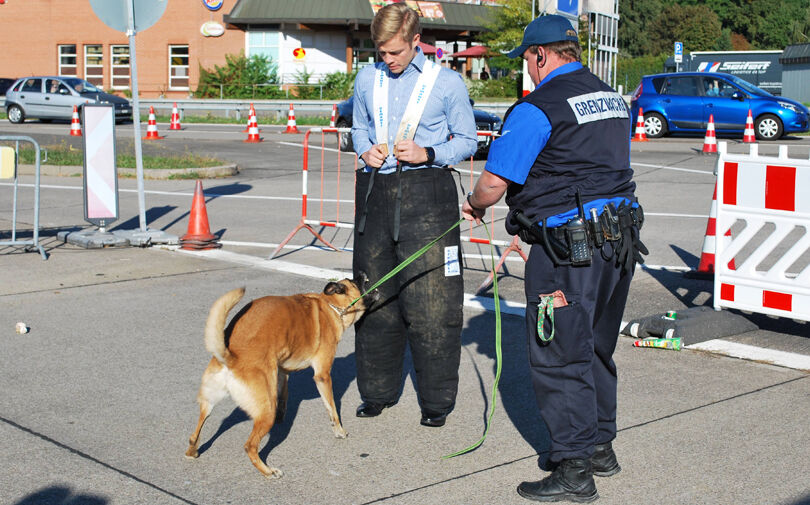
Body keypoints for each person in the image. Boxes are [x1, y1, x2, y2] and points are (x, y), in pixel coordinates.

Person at [461, 14, 646, 502]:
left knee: (560, 354)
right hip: (618, 243)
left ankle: (574, 470)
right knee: (595, 345)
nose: (527, 68)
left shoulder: (537, 107)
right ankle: (599, 447)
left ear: (541, 54)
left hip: (568, 251)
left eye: (526, 58)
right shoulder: (611, 97)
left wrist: (475, 204)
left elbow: (493, 183)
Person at [350, 3, 477, 428]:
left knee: (432, 305)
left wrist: (430, 152)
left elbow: (468, 140)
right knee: (374, 298)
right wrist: (364, 148)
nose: (387, 59)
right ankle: (377, 393)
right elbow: (358, 127)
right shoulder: (367, 78)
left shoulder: (446, 82)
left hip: (428, 193)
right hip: (376, 192)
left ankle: (436, 403)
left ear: (416, 41)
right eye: (381, 52)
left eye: (395, 52)